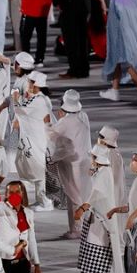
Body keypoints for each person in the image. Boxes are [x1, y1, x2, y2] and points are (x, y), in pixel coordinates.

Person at [48, 89, 92, 236]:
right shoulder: (83, 116)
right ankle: (85, 226)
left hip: (72, 164)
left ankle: (76, 229)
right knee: (84, 194)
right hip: (86, 160)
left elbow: (50, 136)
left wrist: (47, 124)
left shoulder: (65, 122)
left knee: (74, 196)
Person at [75, 146, 123, 273]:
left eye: (93, 157)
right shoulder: (101, 170)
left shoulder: (104, 172)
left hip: (102, 216)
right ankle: (95, 271)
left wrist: (83, 208)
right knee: (93, 240)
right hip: (97, 214)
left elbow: (97, 194)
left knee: (97, 241)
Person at [11, 72, 52, 211]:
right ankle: (40, 199)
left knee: (39, 169)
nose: (28, 85)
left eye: (30, 83)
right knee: (36, 169)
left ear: (36, 84)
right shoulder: (38, 98)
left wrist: (15, 99)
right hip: (33, 137)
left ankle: (45, 202)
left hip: (37, 138)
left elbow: (22, 111)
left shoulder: (40, 100)